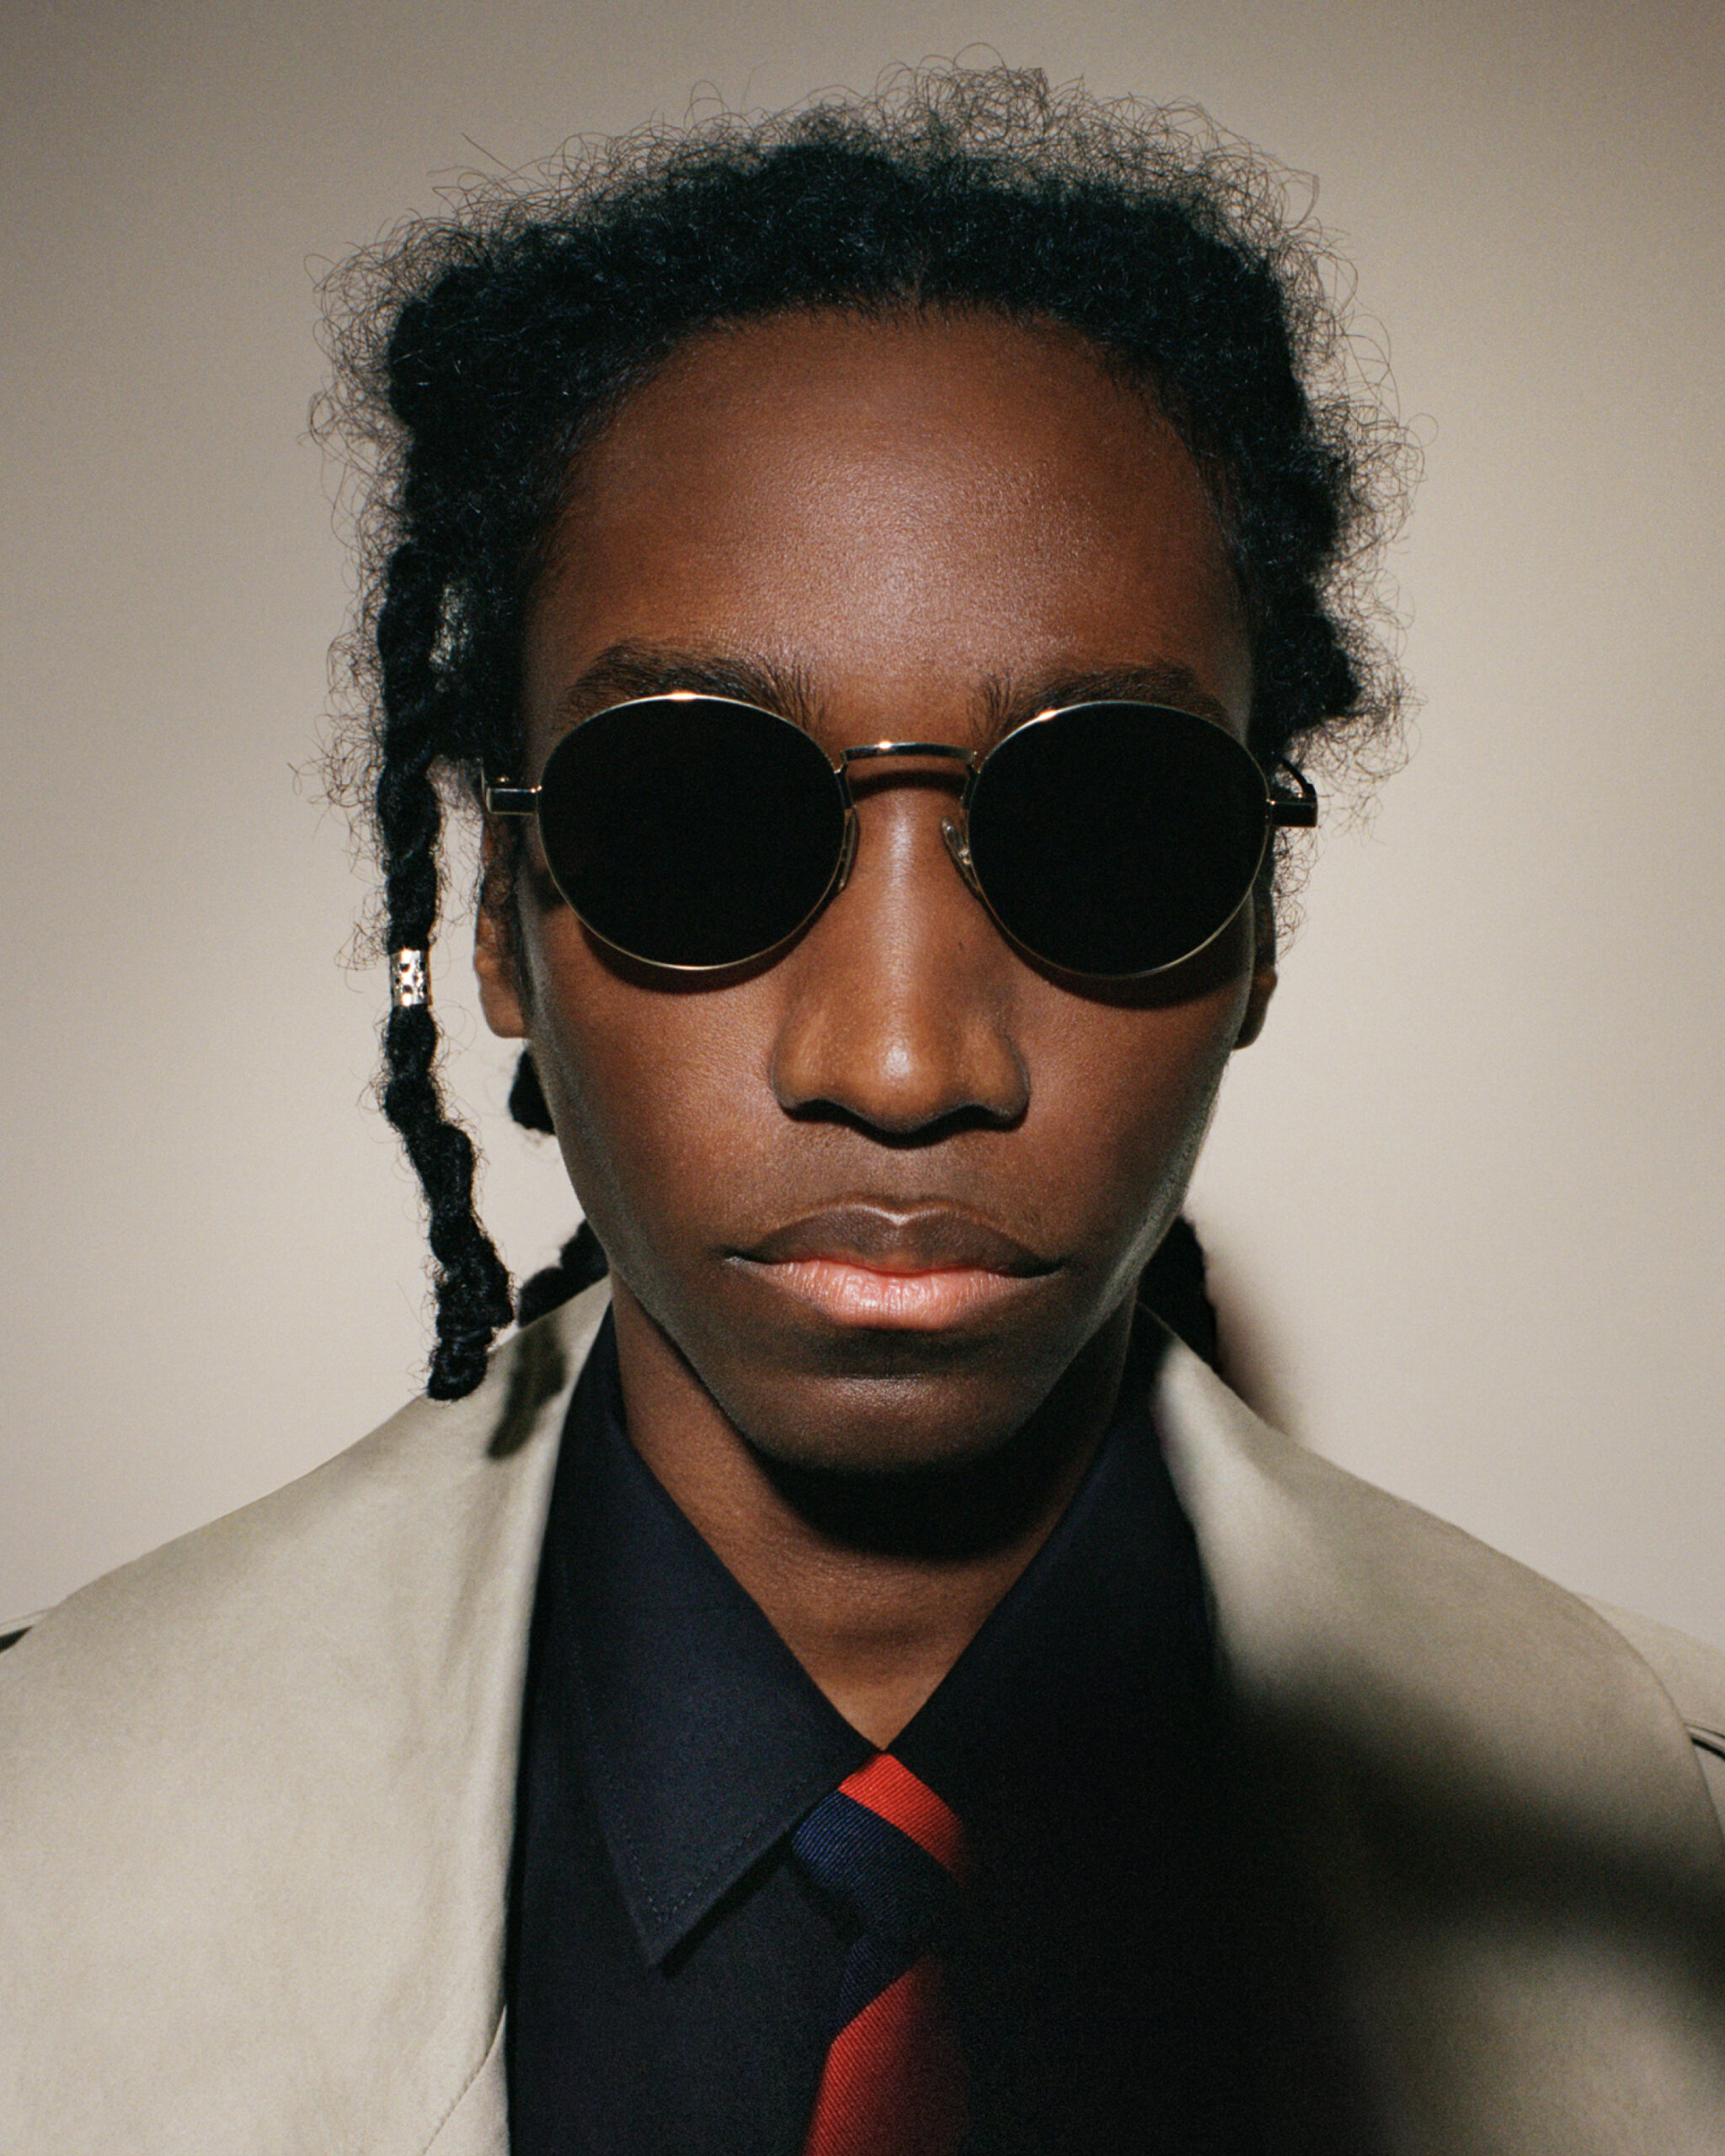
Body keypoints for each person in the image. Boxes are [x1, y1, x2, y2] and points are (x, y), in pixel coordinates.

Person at [3, 67, 1723, 2155]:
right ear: (497, 922)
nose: (903, 1062)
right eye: (690, 818)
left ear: (1261, 926)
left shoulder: (1666, 1867)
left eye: (1106, 826)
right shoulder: (44, 1831)